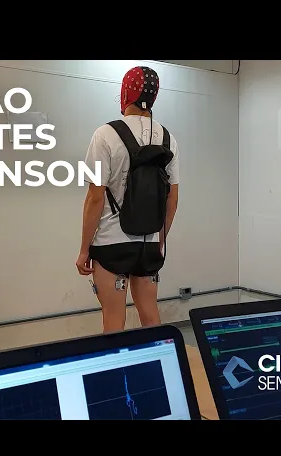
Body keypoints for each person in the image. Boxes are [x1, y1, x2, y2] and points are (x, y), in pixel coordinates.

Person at [76, 66, 180, 333]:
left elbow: (95, 198)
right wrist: (160, 240)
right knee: (151, 318)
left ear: (125, 93)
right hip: (149, 244)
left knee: (113, 322)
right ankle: (159, 358)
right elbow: (172, 198)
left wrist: (84, 249)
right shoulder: (168, 139)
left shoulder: (104, 135)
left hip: (111, 246)